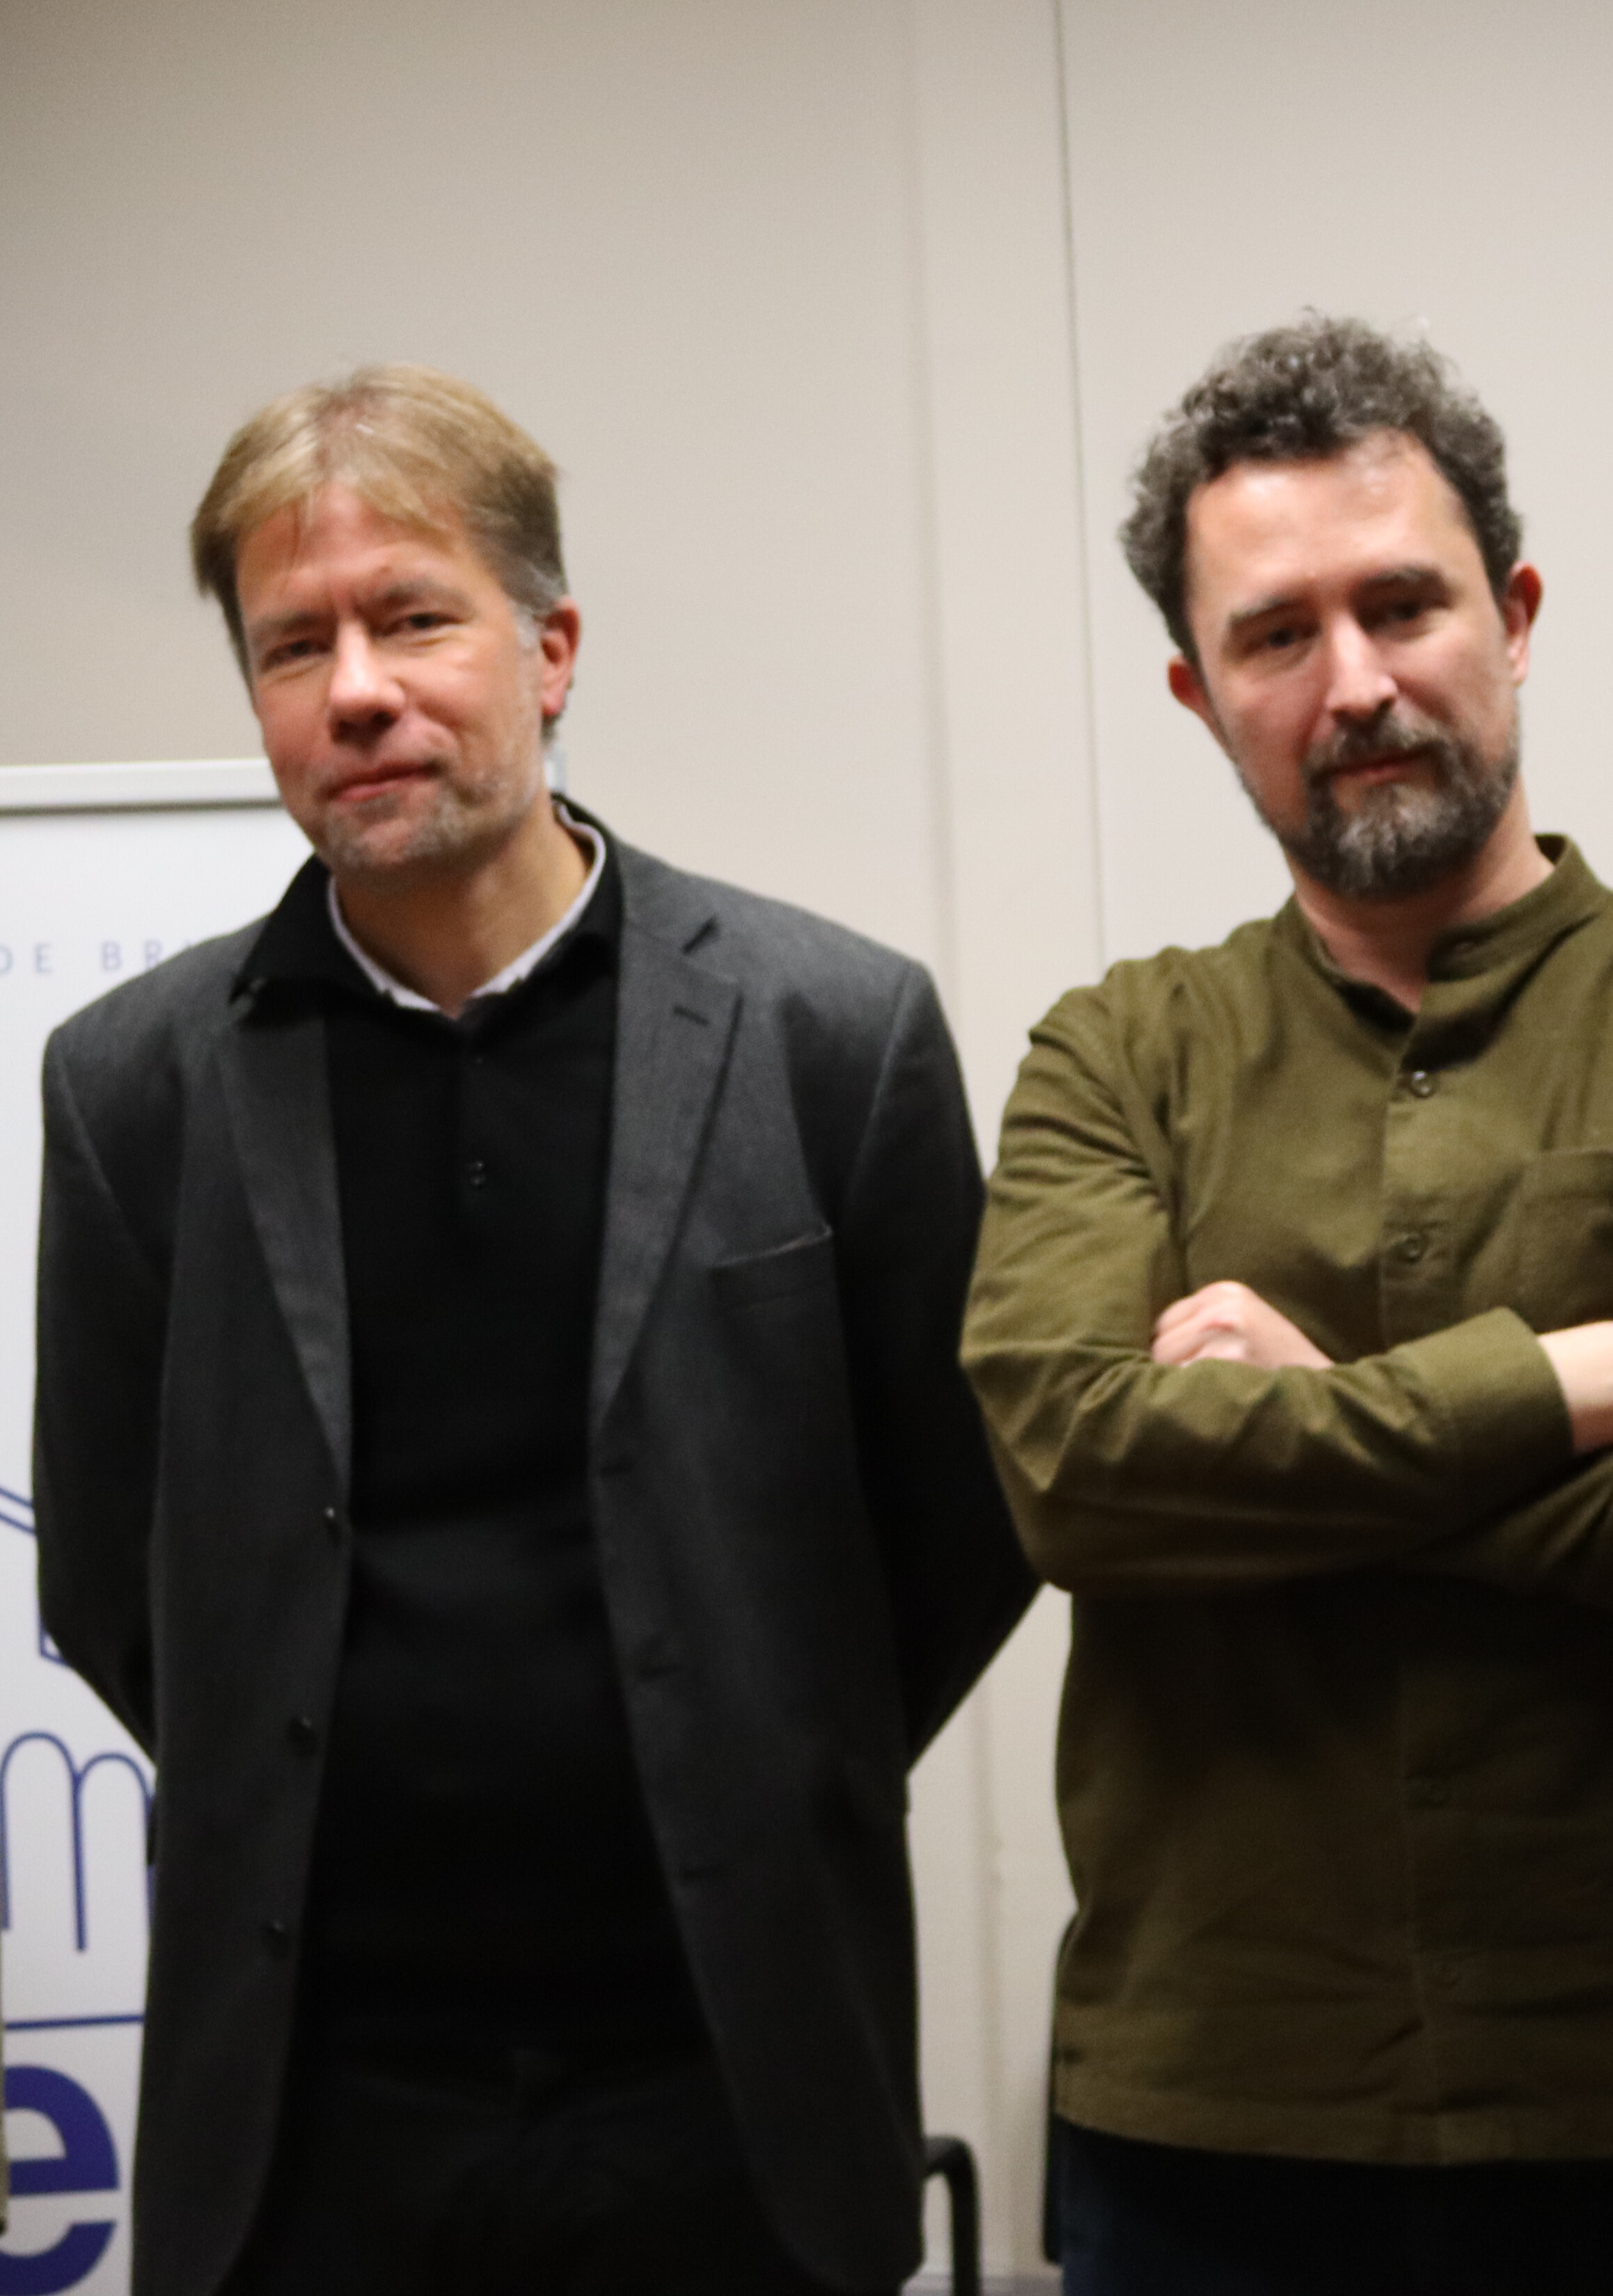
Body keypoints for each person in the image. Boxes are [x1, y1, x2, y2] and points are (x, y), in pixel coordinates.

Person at [961, 316, 1613, 2296]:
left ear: (1513, 616)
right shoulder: (1119, 1055)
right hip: (1218, 2128)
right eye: (1277, 635)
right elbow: (1079, 1473)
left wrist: (1315, 1421)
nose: (1354, 682)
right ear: (1198, 694)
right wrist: (1590, 1378)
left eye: (1403, 604)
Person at [34, 364, 1032, 2296]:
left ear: (551, 649)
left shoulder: (834, 1036)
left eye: (415, 618)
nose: (357, 691)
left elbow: (958, 1534)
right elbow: (111, 1580)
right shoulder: (131, 1088)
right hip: (314, 2113)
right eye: (294, 644)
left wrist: (748, 1759)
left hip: (725, 2083)